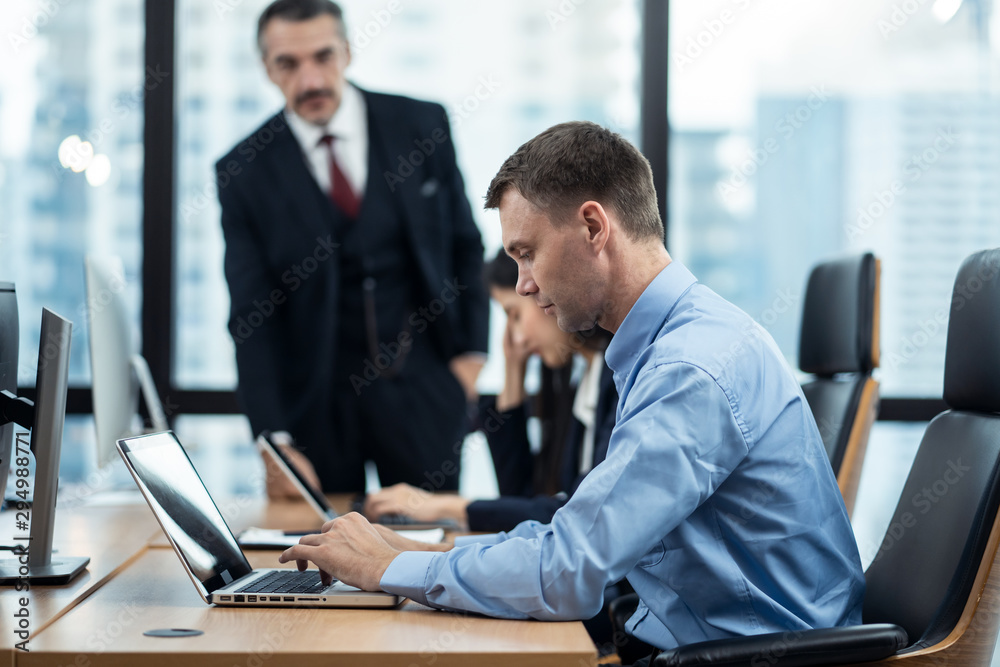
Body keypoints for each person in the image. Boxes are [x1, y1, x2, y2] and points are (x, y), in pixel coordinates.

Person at [278, 121, 865, 657]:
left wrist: (389, 569)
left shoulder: (690, 369)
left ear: (592, 227)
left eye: (526, 254)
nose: (524, 285)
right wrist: (418, 555)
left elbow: (568, 573)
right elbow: (570, 536)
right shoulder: (667, 345)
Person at [216, 0, 489, 494]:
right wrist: (273, 439)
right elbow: (250, 314)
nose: (311, 80)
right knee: (318, 562)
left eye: (323, 56)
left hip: (426, 391)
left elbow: (466, 245)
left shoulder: (421, 125)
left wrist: (470, 359)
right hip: (315, 408)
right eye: (288, 64)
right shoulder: (243, 172)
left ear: (347, 50)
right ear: (266, 69)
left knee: (429, 557)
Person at [365, 247, 618, 533]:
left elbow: (576, 514)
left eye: (514, 315)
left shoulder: (614, 378)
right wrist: (513, 371)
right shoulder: (583, 382)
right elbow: (522, 497)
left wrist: (446, 505)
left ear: (547, 293)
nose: (515, 338)